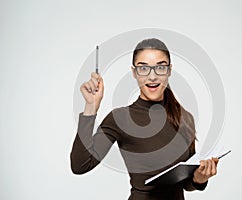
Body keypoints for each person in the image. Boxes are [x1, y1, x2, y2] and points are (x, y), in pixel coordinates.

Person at [70, 38, 219, 200]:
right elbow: (80, 166)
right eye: (143, 68)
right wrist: (91, 108)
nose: (152, 76)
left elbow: (185, 183)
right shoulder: (120, 118)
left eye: (160, 67)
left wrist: (199, 179)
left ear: (169, 71)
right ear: (134, 72)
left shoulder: (185, 118)